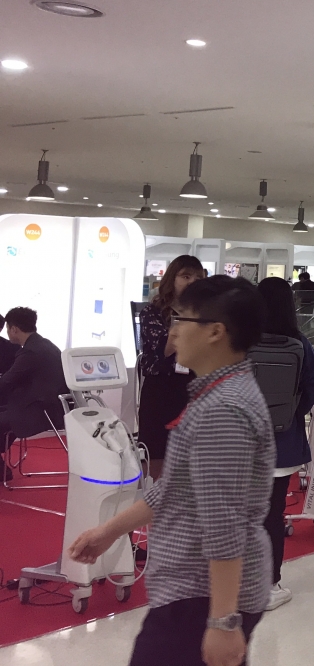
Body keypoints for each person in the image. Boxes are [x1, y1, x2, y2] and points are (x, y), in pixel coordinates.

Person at [68, 276, 274, 666]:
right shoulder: (213, 395)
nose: (173, 331)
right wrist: (109, 531)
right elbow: (175, 488)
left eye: (182, 319)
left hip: (202, 595)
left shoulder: (223, 410)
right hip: (193, 591)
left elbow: (224, 522)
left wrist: (223, 620)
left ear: (215, 331)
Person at [255, 277, 314, 611]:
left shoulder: (241, 340)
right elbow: (312, 388)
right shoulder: (300, 345)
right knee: (272, 515)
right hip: (282, 446)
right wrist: (291, 414)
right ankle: (269, 585)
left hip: (244, 444)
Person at [136, 255, 204, 480]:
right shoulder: (152, 312)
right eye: (186, 276)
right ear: (172, 279)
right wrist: (186, 322)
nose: (192, 282)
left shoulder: (207, 313)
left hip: (194, 388)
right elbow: (163, 351)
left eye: (197, 278)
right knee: (157, 455)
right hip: (161, 390)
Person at [0, 308, 67, 480]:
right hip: (47, 405)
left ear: (14, 329)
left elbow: (7, 381)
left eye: (7, 328)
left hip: (40, 411)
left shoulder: (30, 352)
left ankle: (2, 471)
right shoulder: (44, 344)